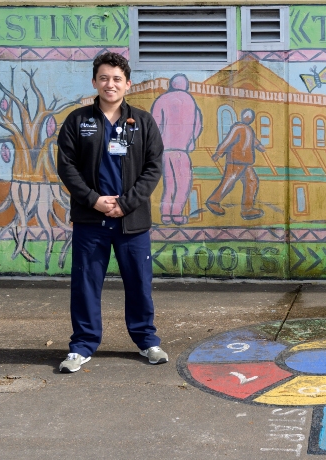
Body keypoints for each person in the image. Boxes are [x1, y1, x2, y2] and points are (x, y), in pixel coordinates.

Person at [56, 52, 167, 373]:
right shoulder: (78, 121)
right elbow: (66, 166)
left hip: (132, 221)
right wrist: (93, 199)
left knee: (139, 283)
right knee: (86, 284)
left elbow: (153, 167)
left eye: (117, 79)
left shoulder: (142, 122)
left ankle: (147, 341)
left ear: (128, 84)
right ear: (94, 82)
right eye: (104, 78)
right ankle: (82, 346)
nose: (110, 84)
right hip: (91, 219)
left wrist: (126, 202)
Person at [152, 74, 203, 225]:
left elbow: (154, 124)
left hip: (165, 150)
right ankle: (177, 214)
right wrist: (191, 140)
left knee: (169, 184)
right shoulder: (190, 101)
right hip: (182, 151)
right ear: (185, 85)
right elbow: (198, 124)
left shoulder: (161, 100)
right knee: (183, 184)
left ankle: (166, 215)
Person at [206, 108, 265, 220]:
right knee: (229, 181)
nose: (249, 117)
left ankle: (247, 209)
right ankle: (213, 201)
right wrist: (218, 153)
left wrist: (259, 146)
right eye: (247, 115)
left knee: (252, 181)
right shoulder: (237, 127)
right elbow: (228, 141)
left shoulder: (249, 129)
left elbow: (254, 140)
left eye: (251, 116)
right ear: (243, 116)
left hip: (246, 162)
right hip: (236, 160)